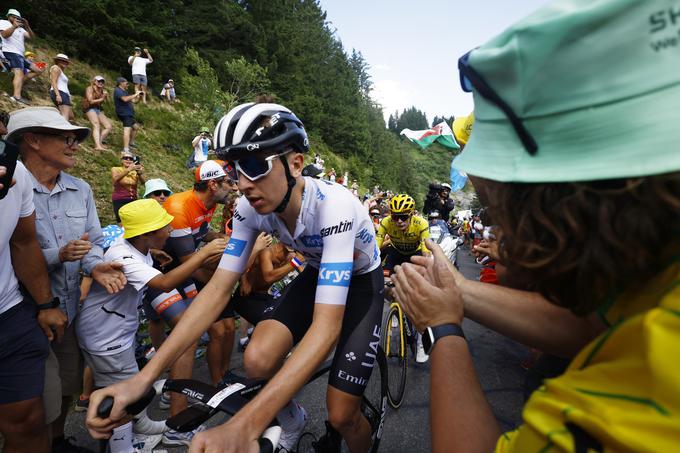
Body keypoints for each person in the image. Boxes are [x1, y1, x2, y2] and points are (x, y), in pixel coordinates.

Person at [392, 1, 680, 451]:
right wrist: (457, 293)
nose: (496, 230)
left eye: (496, 206)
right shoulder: (655, 266)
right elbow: (590, 323)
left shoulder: (630, 399)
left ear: (545, 199)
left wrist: (445, 328)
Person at [87, 103, 385, 453]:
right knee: (257, 359)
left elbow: (326, 327)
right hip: (320, 271)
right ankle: (293, 419)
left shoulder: (334, 207)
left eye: (256, 166)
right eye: (235, 169)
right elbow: (216, 291)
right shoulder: (249, 208)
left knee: (341, 416)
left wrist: (246, 424)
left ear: (295, 164)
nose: (243, 184)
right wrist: (142, 379)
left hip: (362, 283)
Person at [5, 107, 127, 452]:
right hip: (27, 315)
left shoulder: (81, 189)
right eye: (67, 138)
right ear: (32, 140)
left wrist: (96, 265)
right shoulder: (11, 190)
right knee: (37, 397)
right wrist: (57, 256)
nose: (75, 145)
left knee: (68, 381)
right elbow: (13, 254)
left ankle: (57, 441)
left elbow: (93, 240)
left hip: (70, 309)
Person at [77, 199, 226, 453]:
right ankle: (124, 446)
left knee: (129, 381)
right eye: (164, 227)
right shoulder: (125, 258)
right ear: (147, 235)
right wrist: (202, 255)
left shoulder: (134, 247)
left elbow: (138, 257)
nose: (169, 230)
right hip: (107, 336)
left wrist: (152, 253)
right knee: (120, 396)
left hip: (113, 331)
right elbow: (165, 283)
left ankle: (139, 428)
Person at [0, 159, 66, 453]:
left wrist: (45, 303)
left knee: (29, 421)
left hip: (9, 314)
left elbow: (23, 242)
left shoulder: (15, 173)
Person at [0, 8, 41, 104]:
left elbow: (32, 38)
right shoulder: (3, 22)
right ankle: (16, 96)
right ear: (8, 16)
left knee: (38, 70)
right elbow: (4, 35)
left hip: (20, 54)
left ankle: (19, 82)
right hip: (10, 51)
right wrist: (14, 27)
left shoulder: (21, 29)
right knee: (19, 72)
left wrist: (27, 26)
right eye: (14, 17)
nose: (16, 19)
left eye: (18, 18)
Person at [111, 150, 146, 222]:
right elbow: (115, 179)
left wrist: (139, 174)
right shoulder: (116, 169)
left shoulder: (135, 171)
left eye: (131, 159)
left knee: (134, 221)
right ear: (121, 160)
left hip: (133, 199)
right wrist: (129, 169)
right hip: (120, 199)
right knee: (121, 221)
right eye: (125, 158)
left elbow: (144, 183)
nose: (128, 160)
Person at [113, 77, 142, 152]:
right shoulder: (118, 90)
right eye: (126, 83)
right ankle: (125, 149)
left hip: (129, 114)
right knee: (127, 130)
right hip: (124, 113)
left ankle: (131, 143)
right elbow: (125, 99)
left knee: (135, 127)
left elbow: (134, 101)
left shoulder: (124, 92)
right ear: (121, 83)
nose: (128, 85)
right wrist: (135, 94)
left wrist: (139, 97)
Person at [83, 75, 112, 151]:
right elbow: (90, 101)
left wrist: (106, 96)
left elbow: (109, 103)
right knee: (96, 124)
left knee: (108, 126)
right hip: (89, 108)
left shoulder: (102, 90)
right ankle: (97, 146)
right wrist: (102, 98)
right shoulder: (90, 88)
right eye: (99, 81)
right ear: (94, 81)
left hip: (97, 109)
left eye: (102, 81)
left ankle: (99, 142)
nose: (101, 83)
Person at [48, 53, 72, 120]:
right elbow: (53, 82)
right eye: (62, 60)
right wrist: (58, 95)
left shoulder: (60, 70)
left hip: (63, 94)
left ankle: (54, 122)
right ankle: (62, 129)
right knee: (65, 117)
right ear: (58, 61)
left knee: (70, 115)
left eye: (66, 61)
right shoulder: (56, 68)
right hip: (60, 92)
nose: (65, 63)